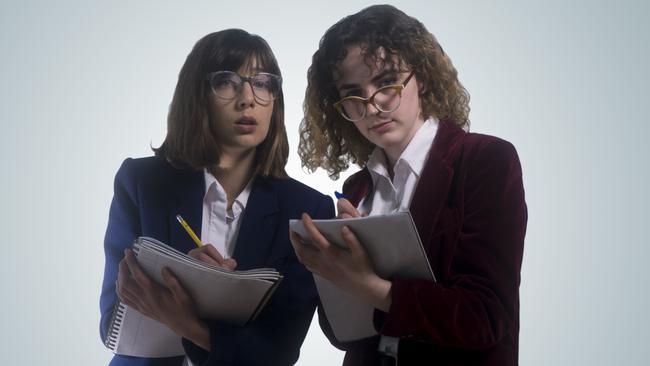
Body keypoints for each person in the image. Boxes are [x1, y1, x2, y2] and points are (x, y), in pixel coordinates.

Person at [291, 5, 527, 366]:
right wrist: (332, 271)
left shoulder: (486, 160)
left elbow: (484, 317)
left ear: (424, 77)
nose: (372, 107)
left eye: (386, 82)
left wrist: (366, 284)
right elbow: (341, 335)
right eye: (353, 94)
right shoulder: (357, 188)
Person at [99, 29, 334, 366]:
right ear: (197, 96)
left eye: (263, 83)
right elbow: (112, 322)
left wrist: (188, 322)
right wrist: (181, 279)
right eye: (227, 81)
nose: (247, 99)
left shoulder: (308, 209)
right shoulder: (142, 182)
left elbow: (279, 351)